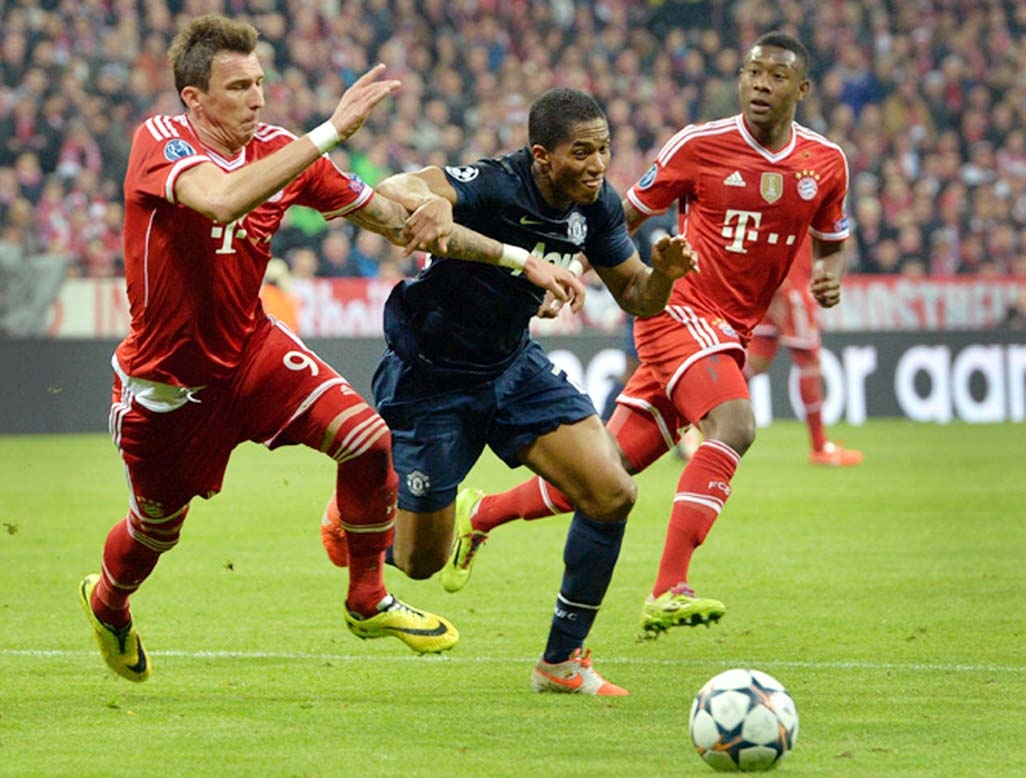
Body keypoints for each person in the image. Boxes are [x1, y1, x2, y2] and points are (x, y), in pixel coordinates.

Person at [78, 13, 582, 683]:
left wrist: (519, 259)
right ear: (194, 98)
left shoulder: (282, 150)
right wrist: (332, 131)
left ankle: (367, 597)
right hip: (169, 386)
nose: (257, 99)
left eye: (260, 83)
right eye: (238, 88)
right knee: (155, 531)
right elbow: (221, 201)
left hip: (251, 352)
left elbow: (396, 221)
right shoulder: (160, 140)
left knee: (368, 441)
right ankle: (109, 603)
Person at [436, 31, 851, 642]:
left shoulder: (826, 162)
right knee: (735, 425)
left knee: (606, 475)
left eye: (776, 76)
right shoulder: (699, 145)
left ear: (802, 89)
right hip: (678, 308)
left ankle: (484, 513)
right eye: (752, 72)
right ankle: (668, 588)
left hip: (731, 329)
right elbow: (617, 219)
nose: (761, 84)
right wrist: (570, 273)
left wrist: (828, 273)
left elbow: (832, 237)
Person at [319, 87, 695, 695]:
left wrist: (666, 279)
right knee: (420, 563)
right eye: (582, 152)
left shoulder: (597, 205)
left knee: (611, 493)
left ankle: (561, 662)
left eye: (604, 149)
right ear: (542, 156)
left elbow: (635, 294)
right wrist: (429, 201)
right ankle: (359, 521)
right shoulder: (496, 184)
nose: (598, 165)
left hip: (512, 368)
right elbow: (397, 188)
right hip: (430, 381)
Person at [744, 236, 862, 466]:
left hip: (767, 284)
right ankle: (820, 447)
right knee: (809, 363)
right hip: (791, 286)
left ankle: (694, 422)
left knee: (757, 361)